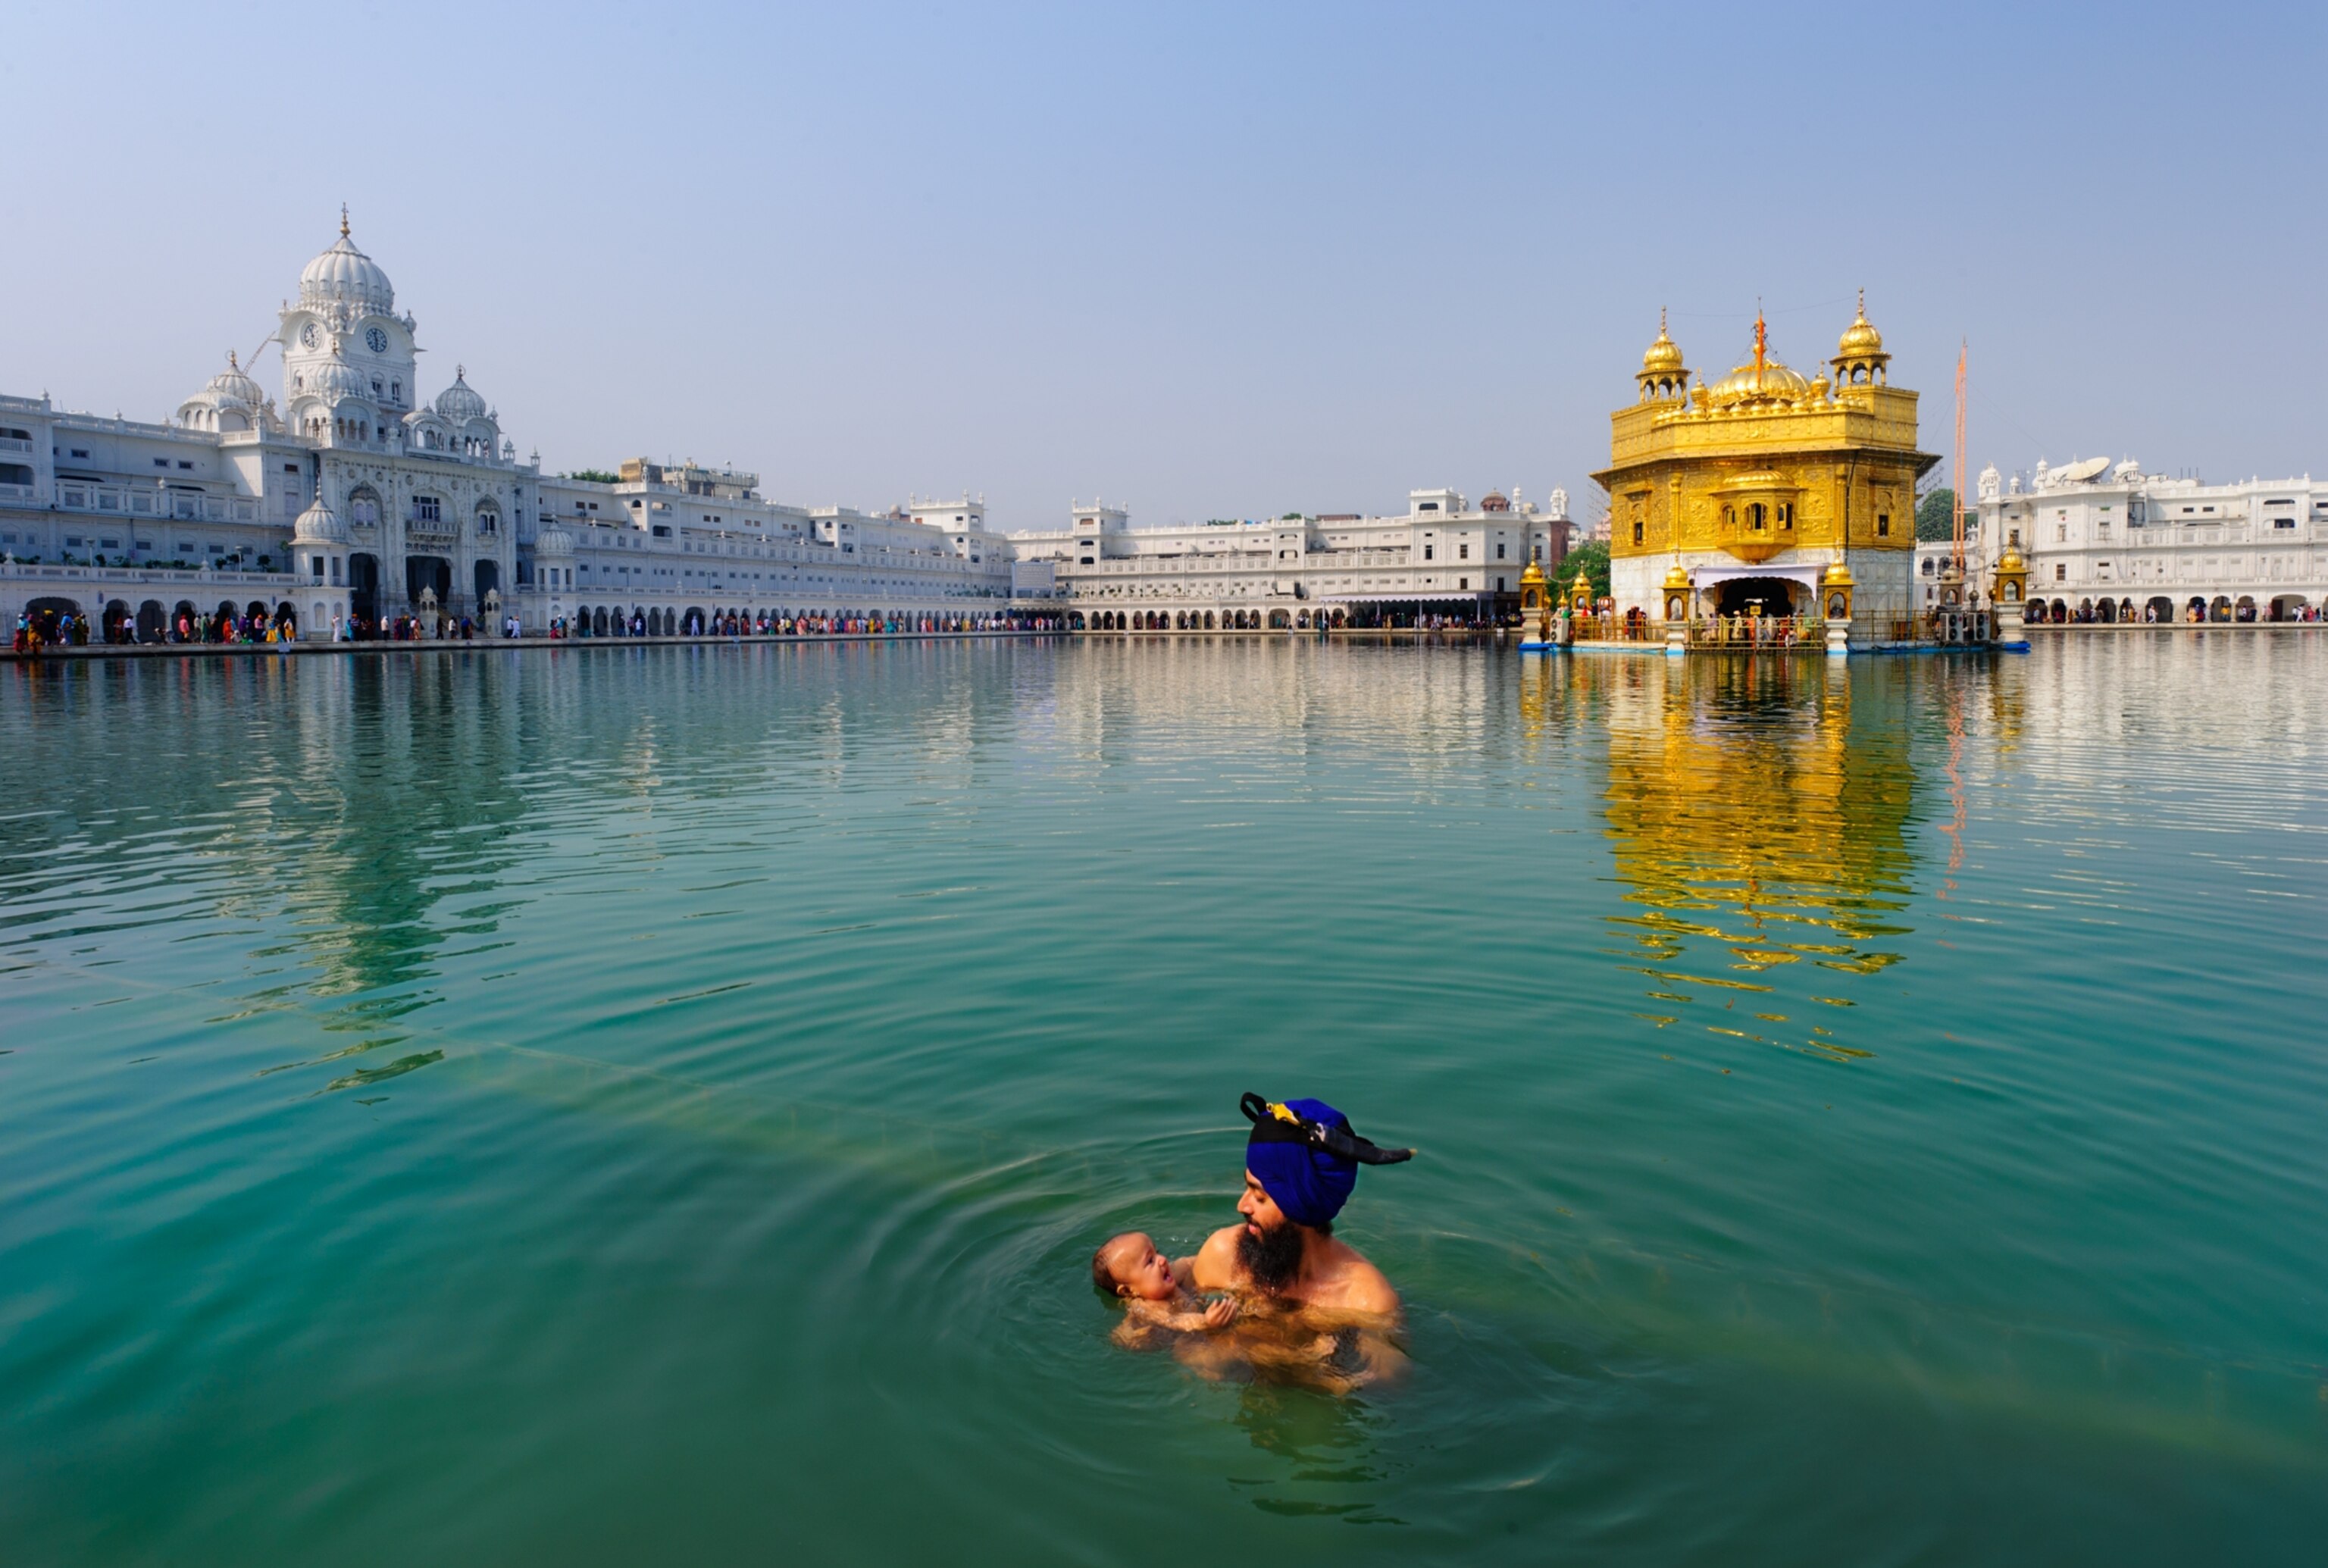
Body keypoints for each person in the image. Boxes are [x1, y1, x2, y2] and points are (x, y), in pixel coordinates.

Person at [1185, 1094, 1409, 1319]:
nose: (1242, 1206)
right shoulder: (1222, 1256)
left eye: (1260, 1197)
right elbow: (1186, 1349)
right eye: (1247, 1188)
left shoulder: (1367, 1302)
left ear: (1301, 1205)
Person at [1090, 1232, 1241, 1348]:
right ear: (1128, 1291)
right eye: (1150, 1261)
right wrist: (1207, 1322)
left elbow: (1191, 1262)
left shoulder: (1170, 1273)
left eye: (1157, 1252)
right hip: (1166, 1334)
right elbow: (1175, 1321)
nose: (1162, 1259)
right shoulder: (1146, 1307)